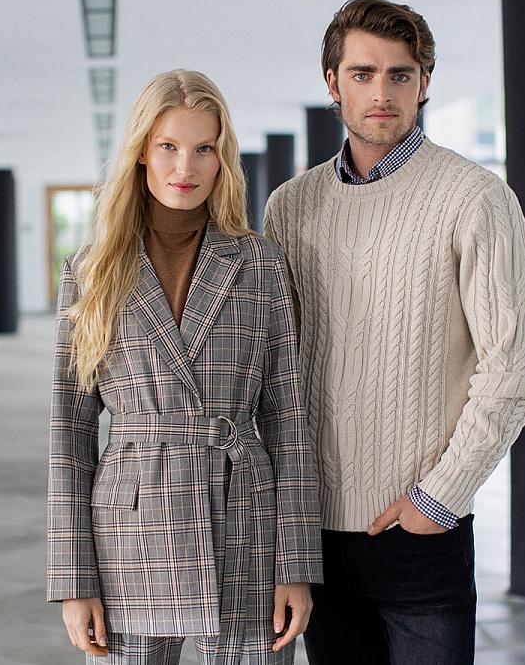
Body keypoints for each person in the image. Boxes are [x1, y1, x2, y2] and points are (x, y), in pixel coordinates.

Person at [264, 0, 525, 664]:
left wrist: (437, 499)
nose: (381, 94)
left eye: (400, 74)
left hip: (420, 532)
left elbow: (512, 370)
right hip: (316, 536)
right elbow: (276, 368)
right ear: (333, 82)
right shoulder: (289, 207)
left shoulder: (475, 197)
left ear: (424, 82)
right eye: (362, 74)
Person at [47, 69, 322, 664]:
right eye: (168, 146)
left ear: (223, 158)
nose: (185, 167)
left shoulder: (260, 264)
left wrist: (296, 563)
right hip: (131, 529)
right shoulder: (91, 272)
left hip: (244, 520)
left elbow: (289, 420)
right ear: (141, 152)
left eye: (204, 149)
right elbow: (70, 433)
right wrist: (74, 579)